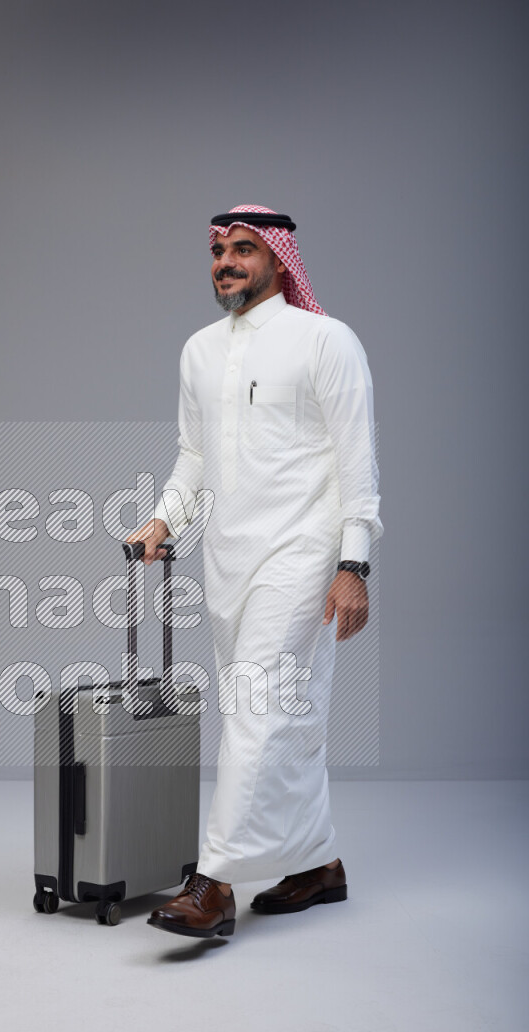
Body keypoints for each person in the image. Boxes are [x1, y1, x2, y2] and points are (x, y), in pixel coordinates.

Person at [127, 204, 382, 940]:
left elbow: (356, 460)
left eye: (244, 249)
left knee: (255, 708)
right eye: (218, 251)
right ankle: (317, 863)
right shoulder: (199, 351)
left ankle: (215, 885)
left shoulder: (326, 341)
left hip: (303, 553)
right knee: (287, 717)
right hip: (228, 557)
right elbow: (194, 456)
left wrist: (353, 562)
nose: (227, 263)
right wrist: (166, 517)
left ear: (279, 258)